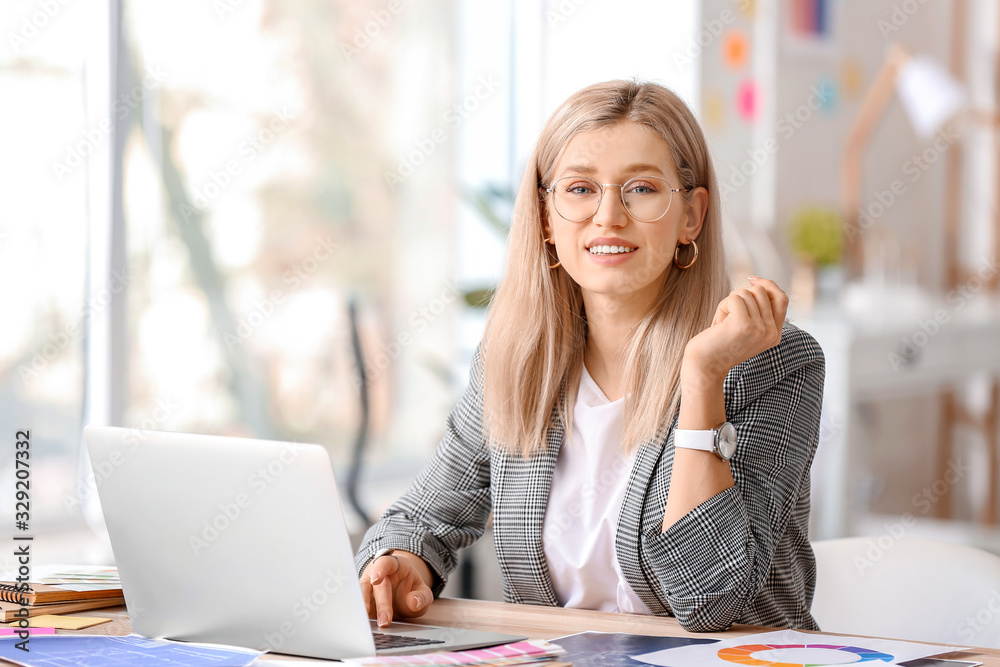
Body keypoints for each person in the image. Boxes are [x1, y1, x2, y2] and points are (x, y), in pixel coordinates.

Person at [355, 79, 825, 633]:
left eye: (642, 189)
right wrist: (401, 564)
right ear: (547, 217)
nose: (608, 216)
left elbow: (711, 599)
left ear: (691, 216)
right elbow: (426, 515)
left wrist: (702, 379)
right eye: (579, 189)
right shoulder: (517, 357)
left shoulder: (775, 363)